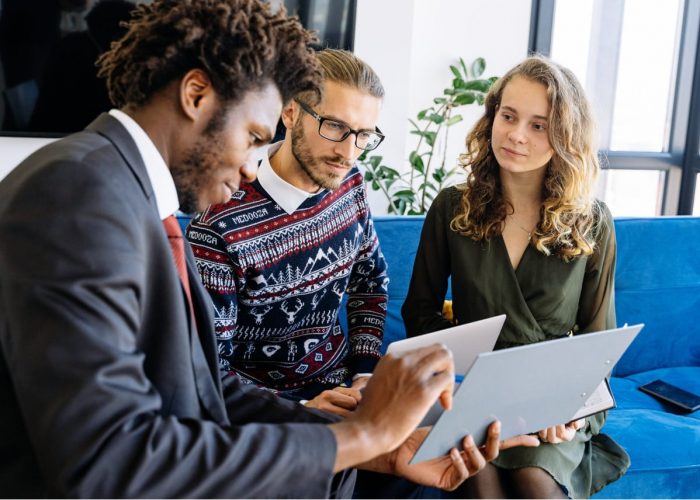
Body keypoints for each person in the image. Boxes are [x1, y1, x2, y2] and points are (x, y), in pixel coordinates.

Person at [0, 1, 532, 497]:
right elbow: (110, 461)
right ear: (196, 95)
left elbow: (208, 393)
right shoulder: (76, 193)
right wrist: (361, 437)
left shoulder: (117, 188)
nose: (255, 165)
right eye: (255, 135)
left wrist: (381, 448)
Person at [401, 55, 630, 498]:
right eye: (508, 116)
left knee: (533, 483)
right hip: (475, 399)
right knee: (481, 484)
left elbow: (597, 343)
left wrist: (575, 413)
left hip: (549, 405)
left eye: (539, 125)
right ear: (492, 117)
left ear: (565, 136)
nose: (516, 135)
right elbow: (419, 312)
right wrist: (471, 375)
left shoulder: (592, 221)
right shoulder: (453, 207)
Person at [187, 48, 387, 416]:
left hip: (346, 394)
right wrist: (303, 407)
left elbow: (370, 282)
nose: (349, 152)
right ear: (291, 112)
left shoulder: (350, 183)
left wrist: (364, 373)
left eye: (363, 135)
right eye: (336, 127)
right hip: (269, 418)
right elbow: (208, 367)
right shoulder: (219, 226)